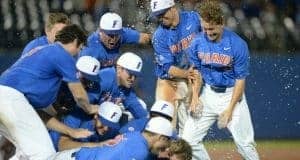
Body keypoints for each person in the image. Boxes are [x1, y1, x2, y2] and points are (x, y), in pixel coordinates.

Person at [0, 24, 98, 160]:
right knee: (44, 155)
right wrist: (90, 108)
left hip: (7, 100)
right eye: (80, 48)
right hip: (10, 99)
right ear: (76, 41)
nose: (77, 54)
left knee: (25, 154)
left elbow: (39, 115)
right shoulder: (61, 53)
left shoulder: (44, 53)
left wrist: (71, 131)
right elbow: (79, 95)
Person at [184, 1, 260, 160]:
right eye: (204, 28)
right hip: (208, 94)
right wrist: (195, 98)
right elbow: (196, 72)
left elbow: (240, 81)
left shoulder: (238, 45)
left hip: (232, 96)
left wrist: (230, 109)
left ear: (221, 23)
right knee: (188, 142)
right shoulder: (196, 43)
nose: (207, 32)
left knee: (244, 144)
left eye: (211, 28)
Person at [149, 0, 202, 132]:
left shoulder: (193, 18)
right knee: (164, 127)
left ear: (172, 8)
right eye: (157, 15)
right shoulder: (159, 36)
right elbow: (168, 68)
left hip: (190, 78)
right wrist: (188, 74)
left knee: (189, 130)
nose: (160, 18)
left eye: (162, 13)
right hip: (168, 82)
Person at [49, 117, 173, 160]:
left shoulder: (134, 135)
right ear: (161, 138)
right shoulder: (141, 151)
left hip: (73, 155)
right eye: (168, 140)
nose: (166, 147)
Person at [79, 12, 151, 69]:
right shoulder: (90, 48)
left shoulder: (122, 34)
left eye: (116, 34)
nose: (113, 39)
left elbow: (145, 38)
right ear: (101, 32)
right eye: (110, 35)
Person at [96, 52, 148, 119]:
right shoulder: (105, 78)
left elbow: (139, 111)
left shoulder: (126, 89)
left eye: (135, 76)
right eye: (130, 74)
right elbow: (84, 103)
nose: (133, 79)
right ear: (119, 69)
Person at [56, 101, 122, 151]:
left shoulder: (111, 129)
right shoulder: (75, 118)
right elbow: (61, 145)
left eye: (110, 125)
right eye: (104, 123)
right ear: (96, 116)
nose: (106, 129)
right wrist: (98, 145)